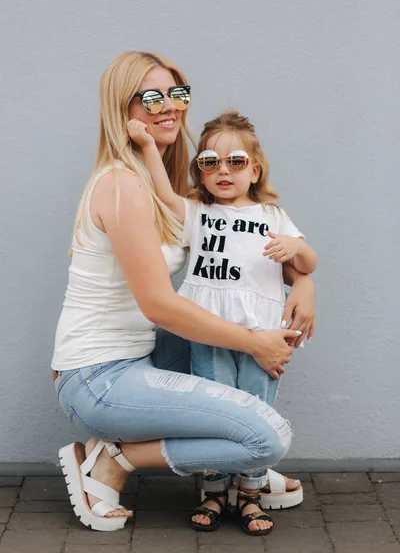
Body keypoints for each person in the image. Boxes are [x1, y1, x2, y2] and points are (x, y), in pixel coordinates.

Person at [52, 51, 316, 536]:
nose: (167, 105)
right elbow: (159, 304)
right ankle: (113, 461)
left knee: (220, 325)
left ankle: (241, 469)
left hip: (145, 355)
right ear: (122, 107)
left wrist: (303, 280)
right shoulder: (121, 186)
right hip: (100, 377)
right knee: (270, 434)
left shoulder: (162, 185)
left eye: (176, 93)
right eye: (150, 96)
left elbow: (242, 251)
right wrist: (255, 341)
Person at [128, 109, 317, 530]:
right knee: (215, 411)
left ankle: (250, 495)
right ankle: (213, 493)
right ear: (200, 172)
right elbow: (162, 191)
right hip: (210, 332)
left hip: (263, 332)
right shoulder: (197, 210)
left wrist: (294, 249)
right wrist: (146, 146)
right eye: (209, 162)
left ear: (255, 169)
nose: (222, 171)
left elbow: (310, 260)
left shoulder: (272, 216)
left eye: (235, 162)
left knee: (255, 409)